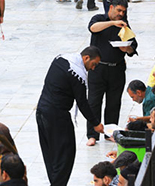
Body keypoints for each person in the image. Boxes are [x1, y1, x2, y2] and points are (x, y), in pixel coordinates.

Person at [36, 46, 104, 185]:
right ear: (86, 58)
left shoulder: (60, 59)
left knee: (51, 153)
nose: (93, 68)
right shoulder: (77, 74)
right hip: (57, 117)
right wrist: (95, 123)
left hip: (41, 111)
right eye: (93, 64)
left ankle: (55, 182)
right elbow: (82, 102)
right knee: (65, 154)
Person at [87, 0, 138, 146]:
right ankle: (92, 135)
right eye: (119, 10)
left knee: (114, 102)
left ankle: (110, 132)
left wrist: (126, 48)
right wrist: (112, 23)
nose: (121, 14)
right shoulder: (99, 19)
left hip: (117, 69)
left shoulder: (124, 25)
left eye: (123, 11)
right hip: (98, 69)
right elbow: (93, 28)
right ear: (111, 8)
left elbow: (133, 47)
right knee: (94, 102)